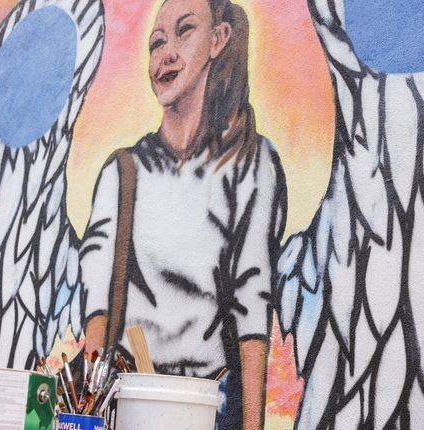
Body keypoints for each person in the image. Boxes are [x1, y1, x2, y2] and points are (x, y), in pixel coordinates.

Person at [80, 0, 286, 428]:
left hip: (213, 404)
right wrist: (88, 408)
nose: (165, 54)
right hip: (128, 398)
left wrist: (253, 424)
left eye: (184, 32)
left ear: (219, 39)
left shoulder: (252, 160)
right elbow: (97, 300)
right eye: (156, 44)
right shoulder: (123, 173)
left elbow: (254, 300)